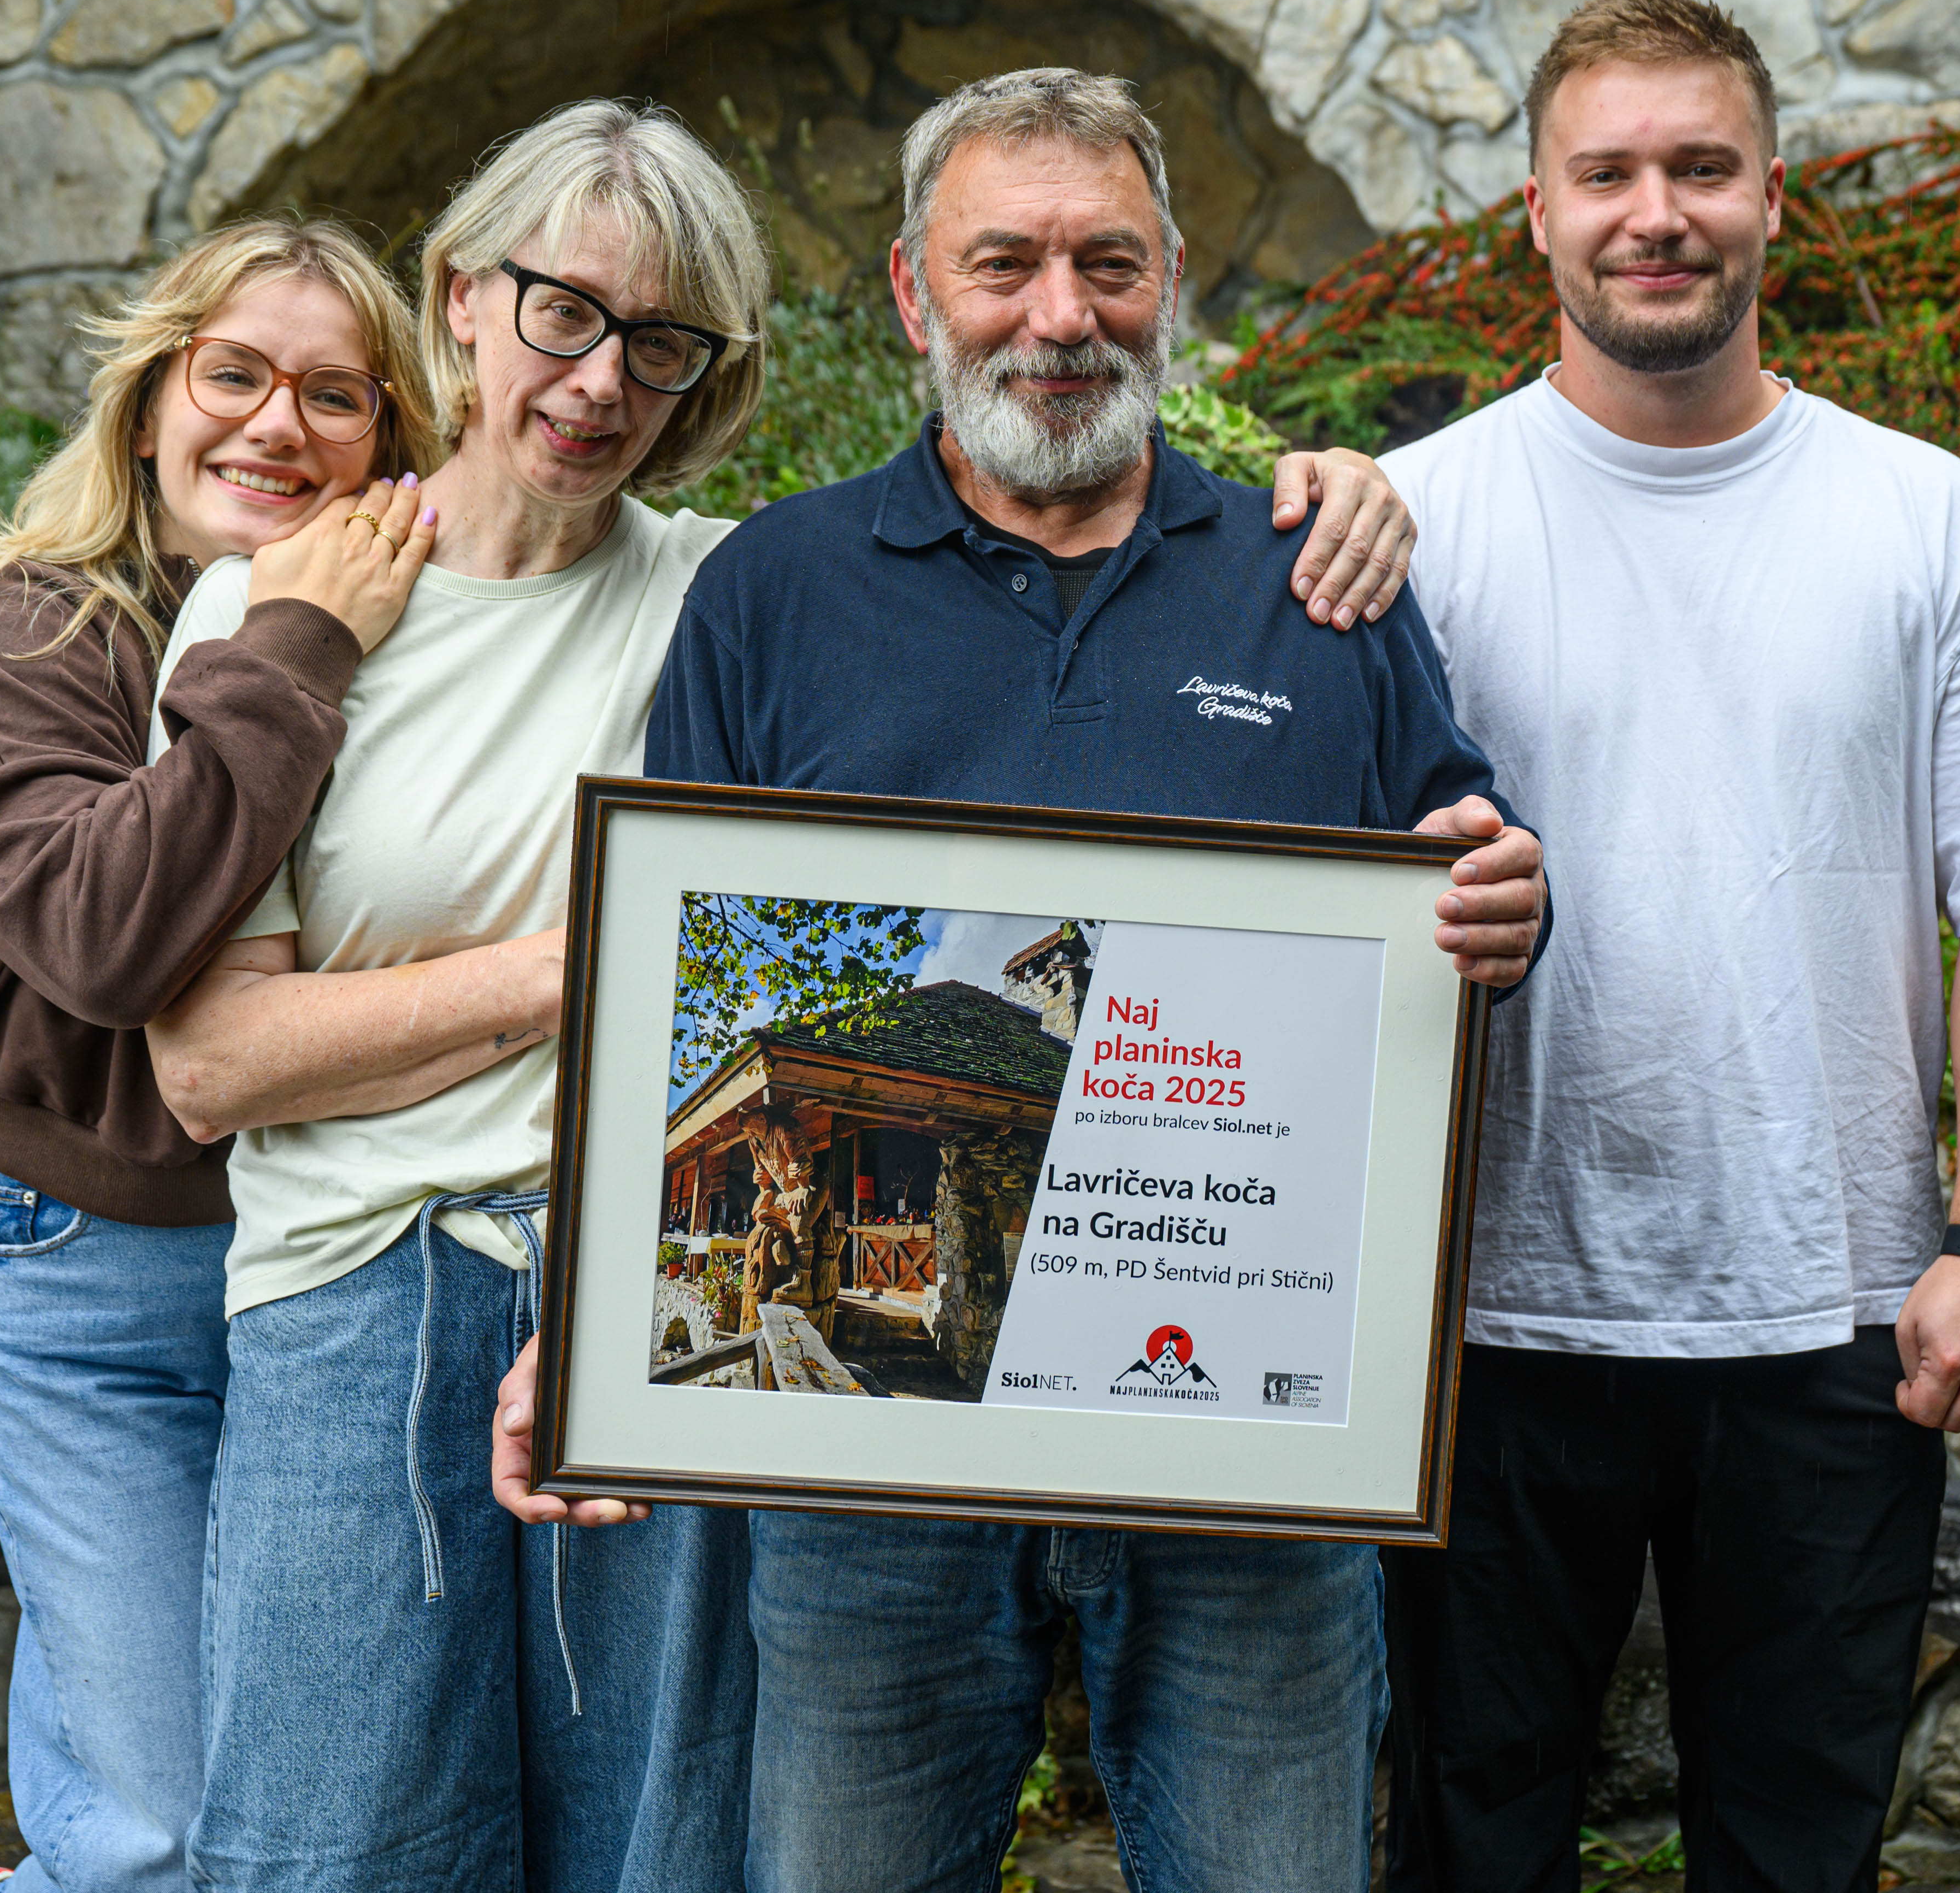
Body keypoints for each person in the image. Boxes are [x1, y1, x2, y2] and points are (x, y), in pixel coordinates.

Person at [144, 97, 1422, 1890]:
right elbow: (218, 1059)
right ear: (460, 300)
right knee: (338, 1849)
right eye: (564, 314)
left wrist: (1347, 485)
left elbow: (1430, 894)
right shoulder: (353, 607)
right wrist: (594, 1010)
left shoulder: (733, 579)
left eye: (660, 342)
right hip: (401, 1300)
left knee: (654, 1848)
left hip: (1099, 1390)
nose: (602, 379)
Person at [489, 67, 1548, 1893]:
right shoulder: (775, 591)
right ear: (918, 293)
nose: (1061, 316)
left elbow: (1453, 901)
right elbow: (661, 994)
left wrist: (1501, 907)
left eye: (1108, 264)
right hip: (870, 1487)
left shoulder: (1318, 581)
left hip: (1249, 1444)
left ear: (1171, 284)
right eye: (1005, 266)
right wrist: (588, 1315)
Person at [1366, 0, 1960, 1893]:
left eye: (1701, 168)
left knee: (1797, 1852)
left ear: (1774, 194)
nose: (1656, 213)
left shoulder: (1926, 520)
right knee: (1468, 1847)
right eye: (1607, 173)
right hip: (1482, 1316)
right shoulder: (1411, 530)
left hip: (1833, 1314)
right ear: (1535, 210)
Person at [0, 216, 440, 1893]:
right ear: (147, 405)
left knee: (296, 1796)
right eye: (234, 374)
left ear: (391, 441)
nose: (279, 424)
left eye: (335, 394)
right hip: (88, 1266)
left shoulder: (426, 636)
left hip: (338, 1257)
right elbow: (107, 940)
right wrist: (298, 644)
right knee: (171, 1826)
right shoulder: (20, 633)